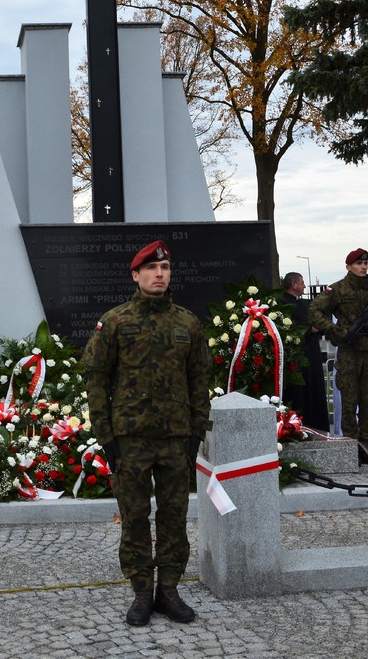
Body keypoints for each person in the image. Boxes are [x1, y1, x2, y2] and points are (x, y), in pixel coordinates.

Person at [83, 240, 211, 627]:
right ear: (136, 275)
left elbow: (199, 381)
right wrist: (106, 435)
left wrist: (196, 434)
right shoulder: (116, 321)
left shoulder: (187, 323)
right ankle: (142, 590)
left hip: (175, 440)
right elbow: (96, 379)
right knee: (135, 516)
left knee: (174, 516)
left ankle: (168, 589)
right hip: (130, 440)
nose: (160, 275)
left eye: (166, 268)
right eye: (152, 269)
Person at [309, 248, 368, 466]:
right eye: (358, 263)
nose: (363, 266)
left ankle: (367, 449)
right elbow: (314, 310)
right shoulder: (337, 289)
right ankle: (351, 448)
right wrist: (336, 330)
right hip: (349, 355)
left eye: (365, 263)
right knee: (349, 404)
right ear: (348, 267)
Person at [279, 271, 330, 432]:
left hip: (312, 352)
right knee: (299, 392)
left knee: (313, 387)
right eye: (301, 283)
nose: (304, 286)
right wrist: (310, 329)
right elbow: (288, 327)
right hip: (296, 355)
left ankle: (316, 425)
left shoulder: (305, 304)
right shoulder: (282, 303)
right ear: (293, 285)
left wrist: (318, 327)